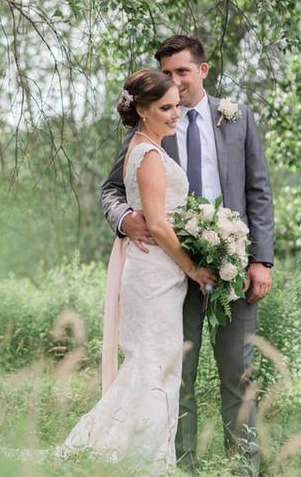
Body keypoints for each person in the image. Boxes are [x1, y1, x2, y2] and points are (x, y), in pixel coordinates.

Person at [101, 35, 275, 475]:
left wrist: (261, 260)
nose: (173, 83)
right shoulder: (153, 124)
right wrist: (126, 218)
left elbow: (259, 192)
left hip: (232, 268)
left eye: (181, 72)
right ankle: (183, 467)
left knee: (239, 374)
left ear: (203, 70)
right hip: (172, 275)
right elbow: (113, 188)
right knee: (179, 377)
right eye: (166, 73)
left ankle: (244, 469)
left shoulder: (237, 119)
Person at [57, 69, 217, 474]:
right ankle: (134, 458)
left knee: (156, 362)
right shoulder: (146, 154)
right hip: (154, 275)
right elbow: (160, 226)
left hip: (158, 274)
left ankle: (140, 454)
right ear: (142, 111)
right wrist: (195, 269)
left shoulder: (148, 148)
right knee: (153, 361)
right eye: (165, 108)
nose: (174, 114)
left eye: (177, 106)